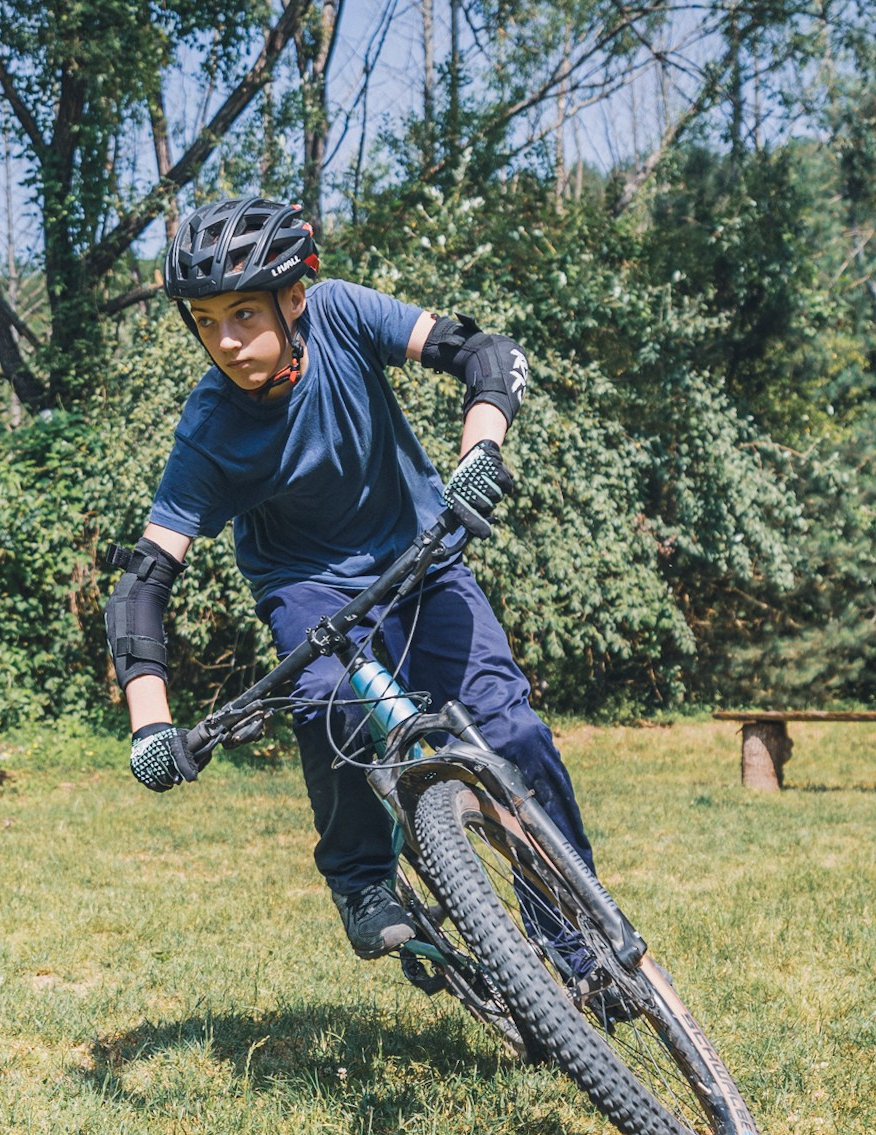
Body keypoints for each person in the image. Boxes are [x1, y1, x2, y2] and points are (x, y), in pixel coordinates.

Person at [104, 196, 598, 967]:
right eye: (205, 322)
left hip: (423, 558)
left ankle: (574, 941)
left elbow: (484, 353)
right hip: (309, 588)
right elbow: (142, 585)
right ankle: (364, 882)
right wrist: (150, 726)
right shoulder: (210, 430)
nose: (226, 342)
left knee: (516, 734)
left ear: (292, 296)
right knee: (325, 698)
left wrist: (481, 451)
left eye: (243, 313)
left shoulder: (339, 315)